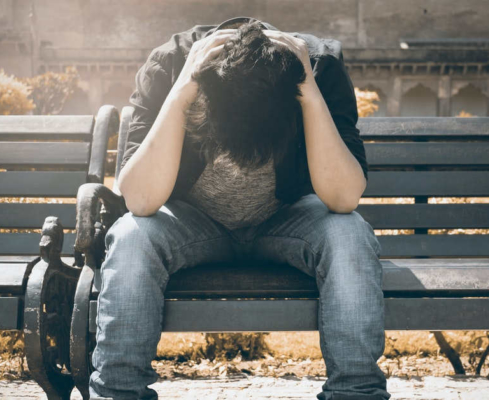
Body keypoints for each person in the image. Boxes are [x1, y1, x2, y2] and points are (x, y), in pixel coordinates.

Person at [88, 16, 390, 400]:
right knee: (131, 236)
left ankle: (356, 394)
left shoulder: (318, 67)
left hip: (287, 218)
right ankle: (118, 393)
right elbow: (141, 200)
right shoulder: (170, 65)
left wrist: (310, 95)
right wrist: (182, 92)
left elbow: (344, 198)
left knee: (349, 233)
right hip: (192, 223)